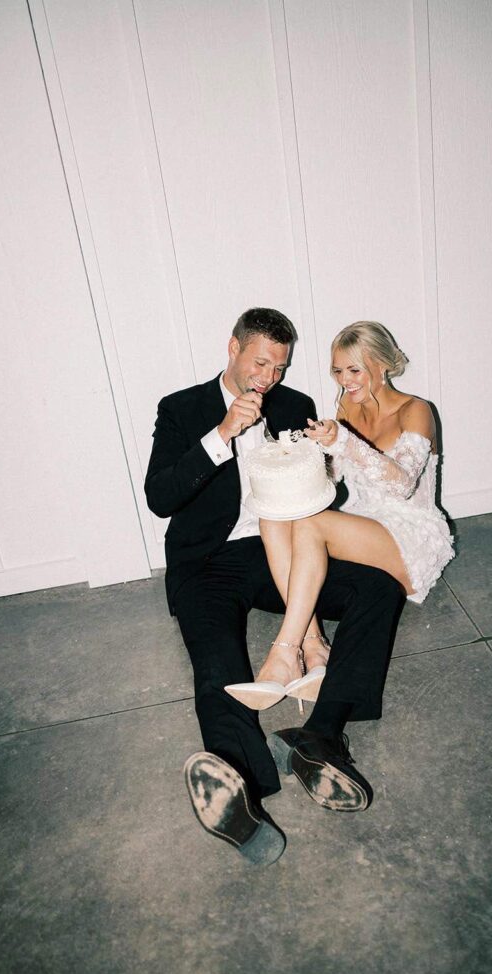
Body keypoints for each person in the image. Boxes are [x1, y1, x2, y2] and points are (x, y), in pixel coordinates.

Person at [144, 309, 404, 867]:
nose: (268, 377)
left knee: (378, 589)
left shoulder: (293, 406)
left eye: (279, 367)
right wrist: (222, 435)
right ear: (233, 347)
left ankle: (322, 737)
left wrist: (326, 461)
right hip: (207, 562)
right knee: (219, 666)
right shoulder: (182, 408)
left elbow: (320, 497)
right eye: (260, 362)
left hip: (278, 552)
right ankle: (240, 789)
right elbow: (161, 497)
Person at [225, 320, 454, 723]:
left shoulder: (416, 410)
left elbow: (401, 484)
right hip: (364, 525)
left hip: (411, 535)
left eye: (354, 370)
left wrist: (343, 442)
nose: (344, 381)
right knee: (277, 516)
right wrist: (307, 455)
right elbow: (335, 479)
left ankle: (285, 652)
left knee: (311, 526)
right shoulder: (347, 407)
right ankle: (314, 650)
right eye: (337, 371)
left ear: (382, 366)